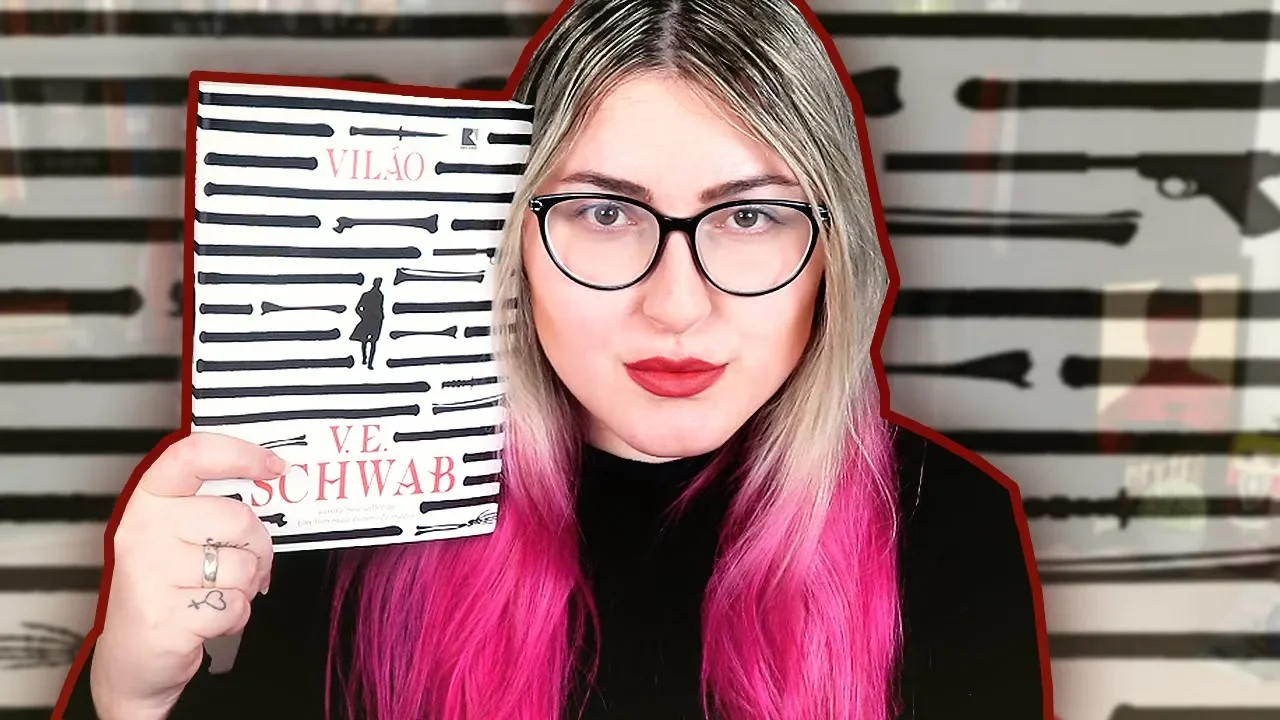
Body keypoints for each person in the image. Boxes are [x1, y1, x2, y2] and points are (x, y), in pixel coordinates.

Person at [58, 0, 1047, 718]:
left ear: (832, 251)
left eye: (750, 216)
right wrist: (131, 694)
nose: (676, 305)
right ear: (511, 239)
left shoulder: (946, 532)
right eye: (605, 212)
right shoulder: (358, 508)